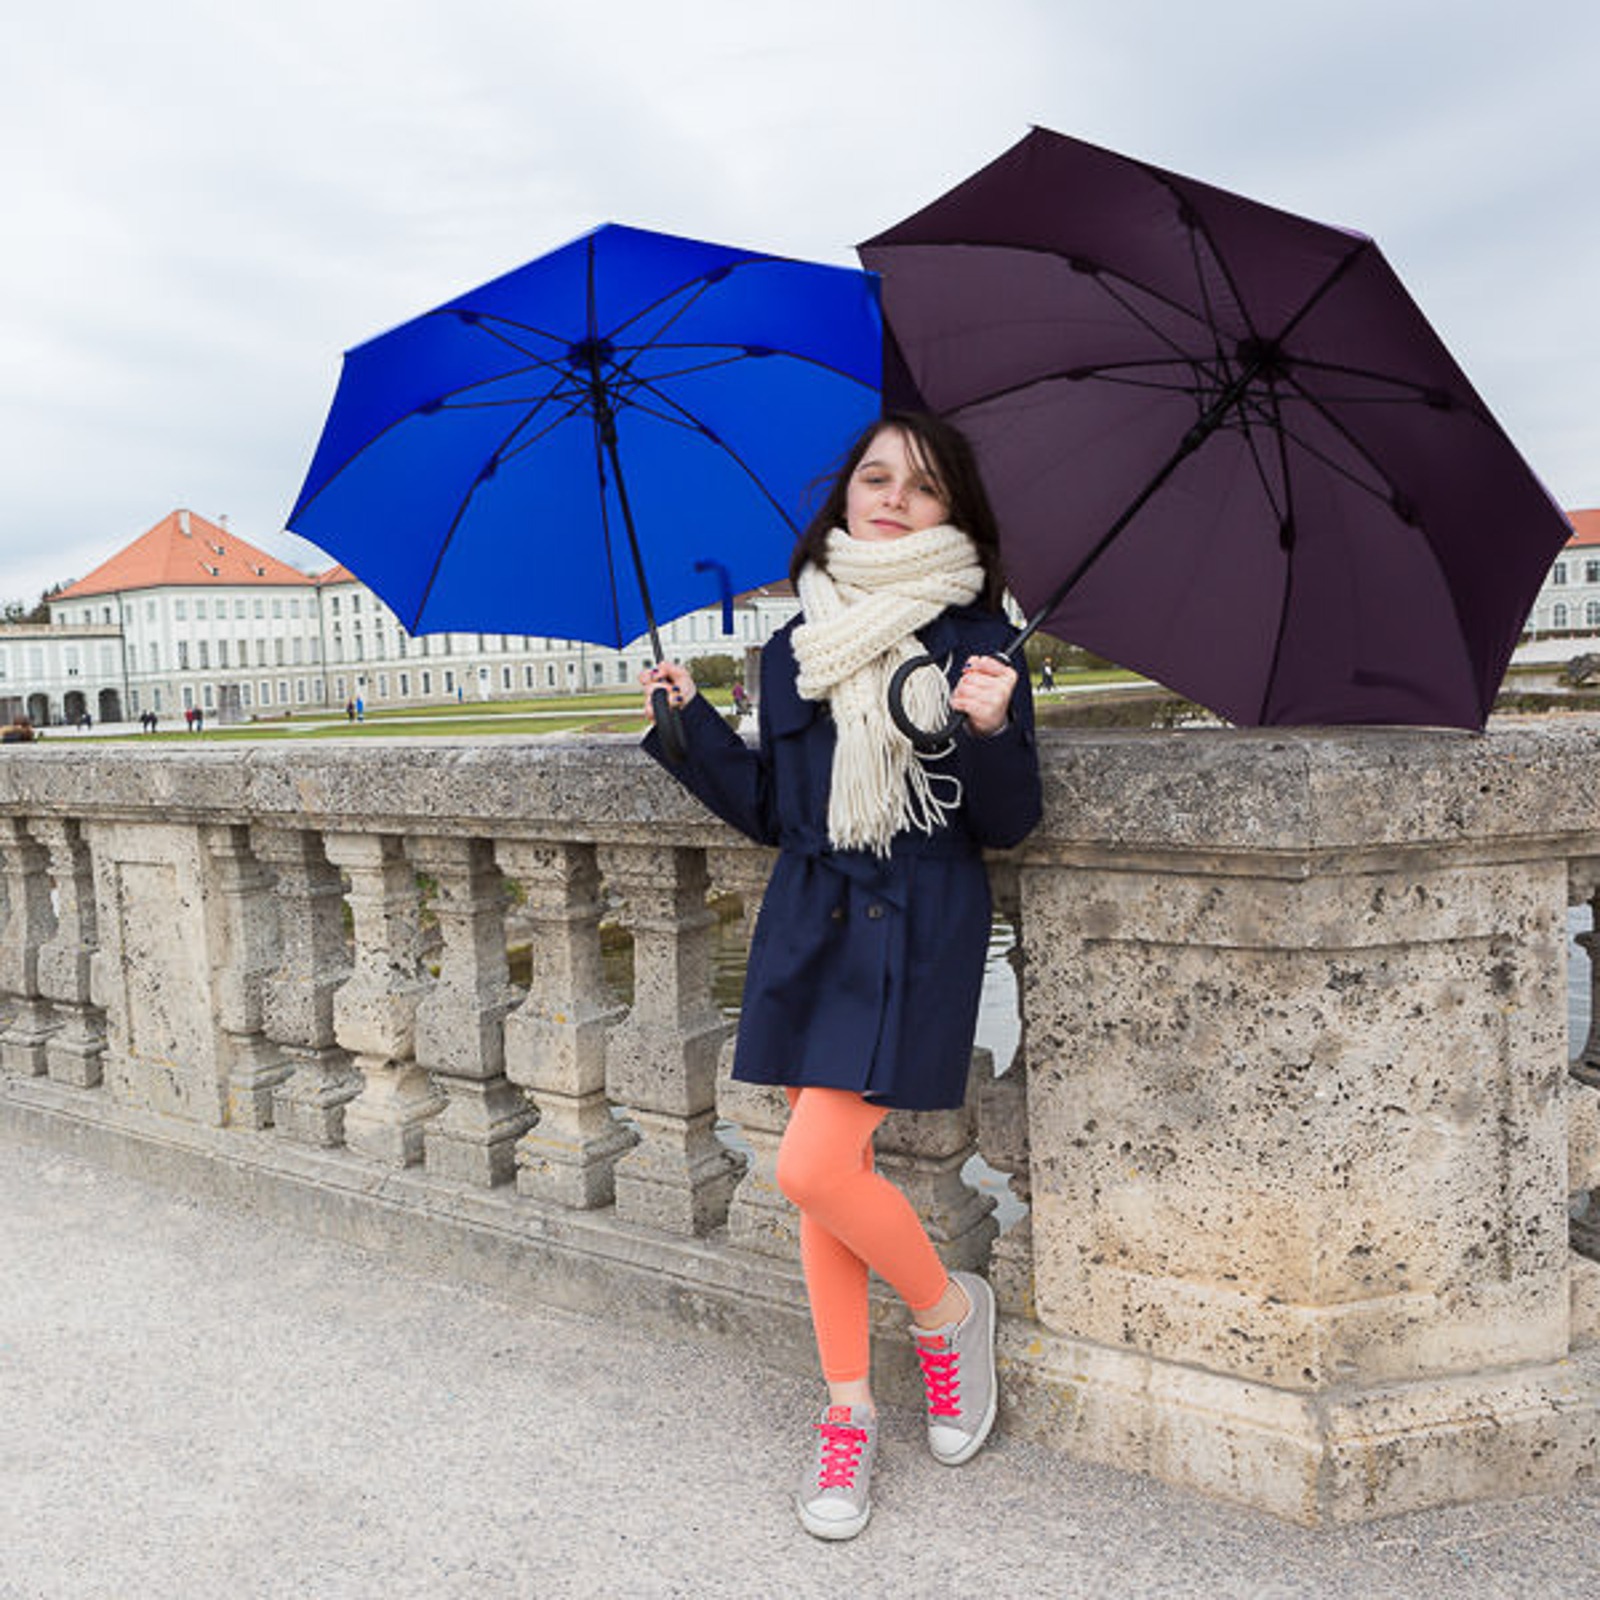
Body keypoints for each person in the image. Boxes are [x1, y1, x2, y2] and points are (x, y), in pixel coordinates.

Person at [641, 411, 1042, 1540]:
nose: (892, 498)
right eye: (876, 476)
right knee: (824, 1173)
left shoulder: (980, 638)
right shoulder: (793, 645)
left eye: (920, 486)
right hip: (814, 921)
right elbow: (780, 810)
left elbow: (1008, 823)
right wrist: (689, 730)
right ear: (843, 493)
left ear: (951, 510)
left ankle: (938, 1318)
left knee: (813, 1166)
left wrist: (992, 727)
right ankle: (860, 1401)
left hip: (919, 921)